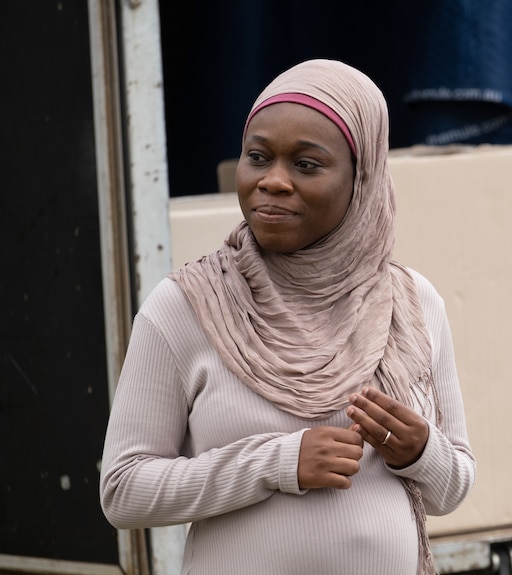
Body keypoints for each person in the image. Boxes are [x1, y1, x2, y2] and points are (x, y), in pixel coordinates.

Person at [99, 59, 476, 575]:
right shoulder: (188, 306)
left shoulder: (410, 302)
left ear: (361, 179)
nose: (273, 181)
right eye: (258, 157)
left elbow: (451, 489)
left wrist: (421, 451)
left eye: (307, 164)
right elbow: (123, 490)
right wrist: (276, 463)